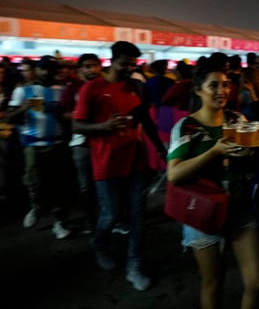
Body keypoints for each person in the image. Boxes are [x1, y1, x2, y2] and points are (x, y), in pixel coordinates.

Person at [166, 58, 259, 309]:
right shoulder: (187, 127)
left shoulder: (237, 119)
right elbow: (174, 175)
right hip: (203, 213)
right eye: (213, 85)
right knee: (213, 283)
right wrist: (213, 151)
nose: (222, 91)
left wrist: (254, 151)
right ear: (198, 89)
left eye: (226, 84)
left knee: (256, 282)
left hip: (240, 207)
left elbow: (249, 159)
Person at [73, 41, 167, 291]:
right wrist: (103, 128)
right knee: (112, 214)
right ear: (111, 61)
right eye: (124, 63)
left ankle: (134, 264)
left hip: (135, 161)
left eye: (132, 64)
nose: (128, 68)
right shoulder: (92, 89)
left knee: (137, 215)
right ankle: (100, 244)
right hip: (105, 163)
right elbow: (77, 125)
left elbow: (144, 119)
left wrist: (159, 147)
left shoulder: (136, 86)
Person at [6, 55, 75, 239]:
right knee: (34, 182)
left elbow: (67, 115)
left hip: (58, 143)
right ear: (37, 70)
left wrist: (65, 114)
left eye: (51, 68)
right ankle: (36, 208)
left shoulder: (61, 91)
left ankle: (60, 222)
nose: (47, 72)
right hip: (33, 145)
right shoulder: (24, 91)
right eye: (43, 68)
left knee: (60, 186)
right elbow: (9, 117)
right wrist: (24, 107)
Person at [60, 53, 103, 233]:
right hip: (81, 143)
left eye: (94, 65)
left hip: (103, 143)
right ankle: (91, 223)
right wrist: (83, 114)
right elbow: (63, 113)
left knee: (105, 185)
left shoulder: (105, 86)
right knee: (86, 187)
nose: (91, 69)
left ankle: (109, 220)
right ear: (80, 70)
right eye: (87, 66)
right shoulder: (73, 88)